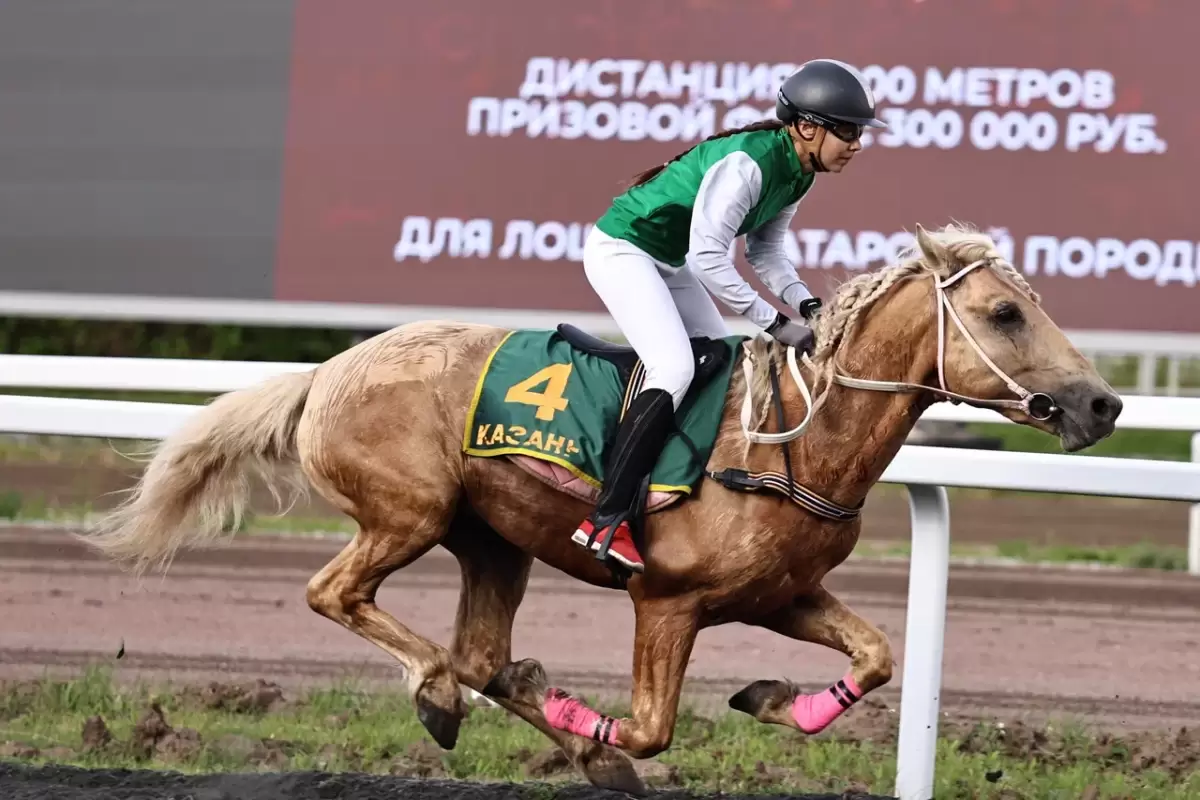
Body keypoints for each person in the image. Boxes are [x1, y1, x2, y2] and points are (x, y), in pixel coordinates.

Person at [572, 59, 887, 574]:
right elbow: (708, 258)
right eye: (848, 131)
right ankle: (606, 519)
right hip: (622, 251)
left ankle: (674, 484)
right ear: (807, 126)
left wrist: (806, 303)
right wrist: (775, 322)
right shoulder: (749, 164)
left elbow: (766, 253)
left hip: (667, 262)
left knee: (718, 359)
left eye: (859, 133)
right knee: (674, 368)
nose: (856, 144)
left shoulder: (799, 173)